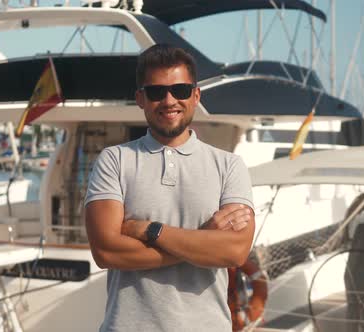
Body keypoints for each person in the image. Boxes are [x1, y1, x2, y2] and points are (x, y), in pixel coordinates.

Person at [84, 44, 255, 332]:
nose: (169, 100)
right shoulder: (114, 160)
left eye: (180, 90)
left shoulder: (229, 166)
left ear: (196, 95)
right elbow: (107, 252)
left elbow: (235, 252)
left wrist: (151, 231)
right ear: (140, 98)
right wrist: (203, 241)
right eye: (156, 92)